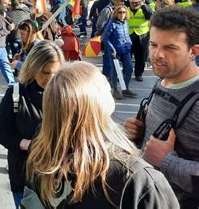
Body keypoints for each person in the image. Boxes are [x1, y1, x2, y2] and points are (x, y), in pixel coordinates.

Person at [23, 62, 179, 208]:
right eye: (102, 81)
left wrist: (124, 135)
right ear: (94, 104)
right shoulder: (137, 178)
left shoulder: (40, 151)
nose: (107, 82)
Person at [124, 7, 199, 208]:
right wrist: (141, 133)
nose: (157, 55)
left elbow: (161, 156)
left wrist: (167, 161)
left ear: (194, 51)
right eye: (153, 44)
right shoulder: (164, 79)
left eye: (170, 48)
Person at [0, 41, 65, 208]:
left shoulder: (66, 94)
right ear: (33, 68)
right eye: (45, 72)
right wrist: (27, 144)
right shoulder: (16, 93)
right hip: (25, 175)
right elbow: (0, 133)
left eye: (56, 73)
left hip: (58, 176)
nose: (51, 79)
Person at [101, 5, 137, 100]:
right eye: (120, 12)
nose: (122, 14)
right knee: (115, 71)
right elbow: (105, 38)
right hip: (115, 51)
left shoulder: (125, 23)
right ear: (116, 13)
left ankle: (125, 89)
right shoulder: (112, 23)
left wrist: (130, 43)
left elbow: (126, 35)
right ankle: (115, 90)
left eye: (124, 12)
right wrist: (112, 48)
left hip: (126, 49)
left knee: (129, 68)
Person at [127, 0, 153, 82]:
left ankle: (139, 74)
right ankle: (126, 73)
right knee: (127, 57)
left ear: (140, 2)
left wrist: (144, 6)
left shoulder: (145, 9)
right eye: (133, 2)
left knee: (141, 57)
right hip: (129, 36)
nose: (135, 4)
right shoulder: (126, 10)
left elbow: (151, 16)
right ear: (130, 2)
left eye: (137, 2)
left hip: (142, 36)